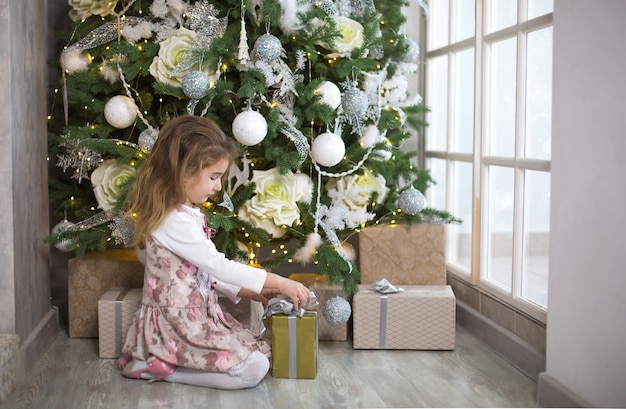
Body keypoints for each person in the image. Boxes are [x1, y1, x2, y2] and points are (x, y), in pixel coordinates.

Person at [117, 115, 311, 389]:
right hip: (179, 324)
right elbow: (218, 265)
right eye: (213, 177)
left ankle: (163, 365)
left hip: (197, 317)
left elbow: (204, 274)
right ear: (183, 173)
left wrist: (251, 292)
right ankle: (158, 368)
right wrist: (277, 280)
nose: (218, 187)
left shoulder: (186, 215)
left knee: (261, 353)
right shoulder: (174, 221)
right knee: (254, 369)